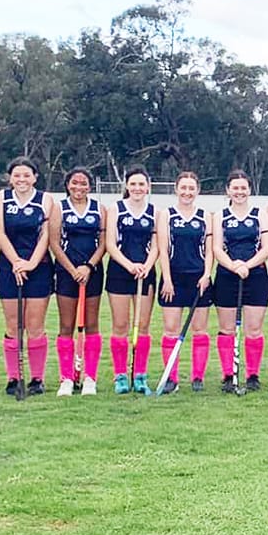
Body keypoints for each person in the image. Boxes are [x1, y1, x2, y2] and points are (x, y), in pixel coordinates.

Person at [0, 158, 56, 399]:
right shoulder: (1, 198)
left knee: (35, 326)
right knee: (13, 325)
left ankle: (37, 378)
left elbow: (46, 236)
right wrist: (16, 262)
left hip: (39, 267)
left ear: (35, 177)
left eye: (26, 175)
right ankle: (13, 377)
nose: (22, 180)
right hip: (10, 267)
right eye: (17, 175)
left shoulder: (45, 199)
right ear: (10, 178)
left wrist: (30, 263)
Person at [212, 171, 268, 395]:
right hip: (227, 276)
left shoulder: (260, 215)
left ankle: (252, 375)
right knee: (227, 329)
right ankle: (228, 374)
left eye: (243, 188)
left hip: (256, 276)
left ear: (249, 189)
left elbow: (267, 247)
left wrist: (248, 265)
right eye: (235, 188)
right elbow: (217, 248)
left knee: (254, 329)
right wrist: (233, 266)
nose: (239, 192)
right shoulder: (220, 216)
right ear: (228, 190)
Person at [49, 167, 107, 396]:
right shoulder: (59, 208)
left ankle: (90, 377)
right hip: (66, 272)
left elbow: (103, 243)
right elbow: (54, 243)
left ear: (90, 186)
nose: (79, 187)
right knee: (67, 325)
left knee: (91, 324)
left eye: (83, 183)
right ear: (67, 185)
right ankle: (66, 378)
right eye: (74, 182)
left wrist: (88, 267)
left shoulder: (99, 209)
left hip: (92, 271)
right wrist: (73, 270)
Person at [156, 171, 214, 394]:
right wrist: (167, 279)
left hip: (199, 279)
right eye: (183, 188)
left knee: (200, 330)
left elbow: (209, 251)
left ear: (197, 190)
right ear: (176, 189)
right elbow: (163, 249)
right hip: (174, 278)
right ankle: (171, 378)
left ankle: (197, 377)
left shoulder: (205, 216)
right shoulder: (166, 215)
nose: (187, 192)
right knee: (171, 330)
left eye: (191, 188)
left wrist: (207, 275)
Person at [107, 168, 159, 395]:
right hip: (120, 272)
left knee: (143, 326)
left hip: (145, 273)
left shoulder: (155, 212)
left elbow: (157, 245)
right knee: (120, 325)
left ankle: (140, 375)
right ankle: (120, 375)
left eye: (141, 184)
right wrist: (129, 265)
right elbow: (110, 244)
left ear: (148, 187)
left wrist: (146, 265)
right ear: (127, 186)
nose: (137, 188)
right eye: (133, 184)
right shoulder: (116, 209)